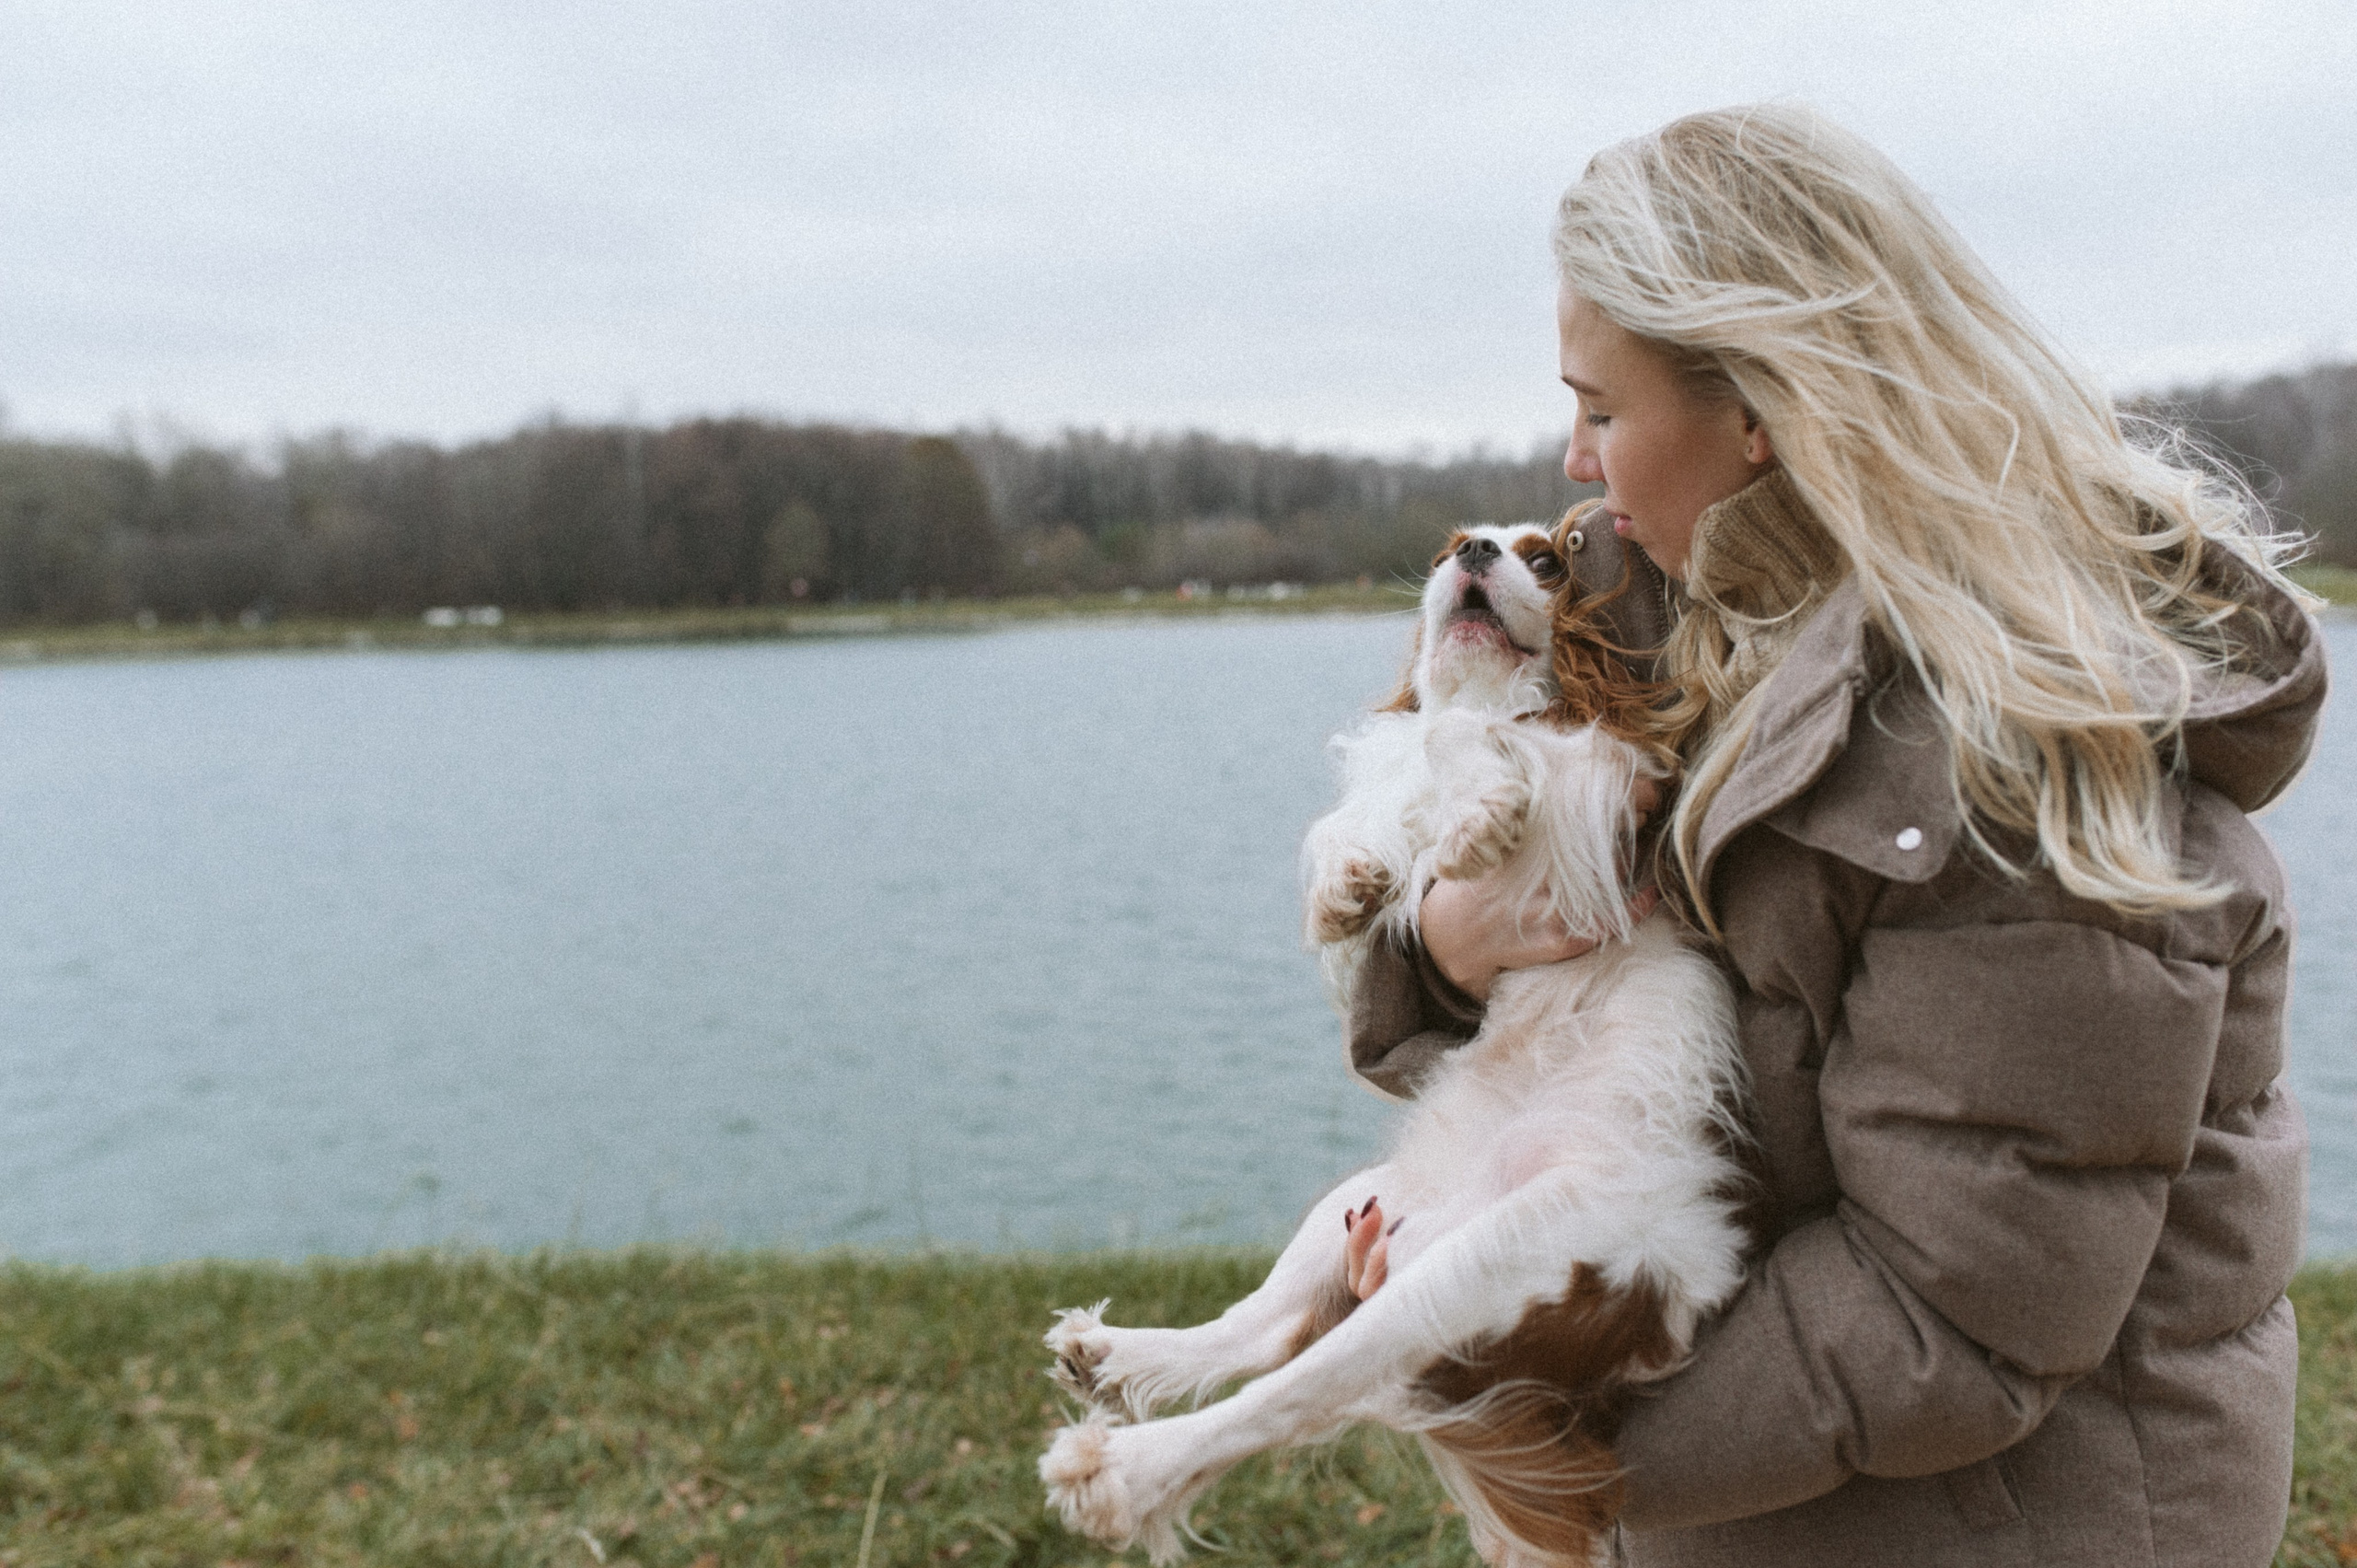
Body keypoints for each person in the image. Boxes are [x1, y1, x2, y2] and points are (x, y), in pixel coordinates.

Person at [1346, 103, 2327, 1566]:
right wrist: (1437, 947)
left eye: (1603, 410)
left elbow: (1954, 1319)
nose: (1572, 461)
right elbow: (1584, 1044)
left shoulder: (2024, 755)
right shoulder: (1670, 636)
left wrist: (1507, 1415)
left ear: (1761, 408)